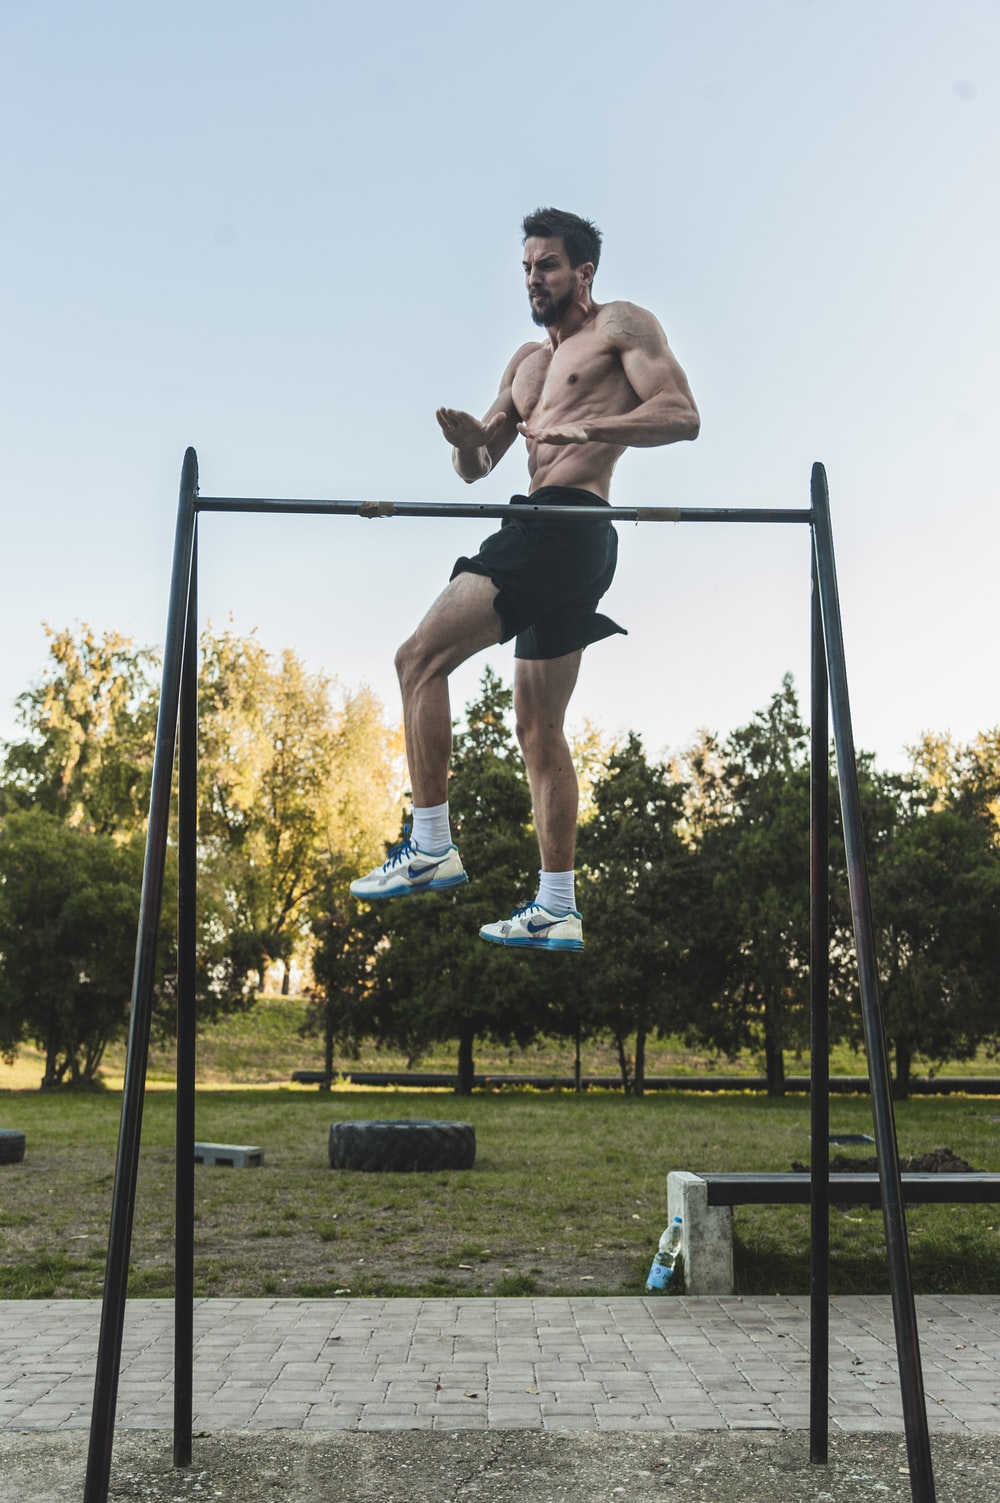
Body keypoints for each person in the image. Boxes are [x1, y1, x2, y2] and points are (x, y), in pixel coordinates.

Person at [350, 207, 699, 951]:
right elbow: (480, 467)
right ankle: (557, 904)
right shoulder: (526, 363)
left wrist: (594, 430)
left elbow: (681, 413)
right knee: (538, 728)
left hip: (563, 525)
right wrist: (473, 442)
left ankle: (432, 843)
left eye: (547, 265)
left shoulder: (621, 327)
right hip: (555, 535)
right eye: (527, 267)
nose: (534, 278)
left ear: (584, 272)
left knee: (418, 658)